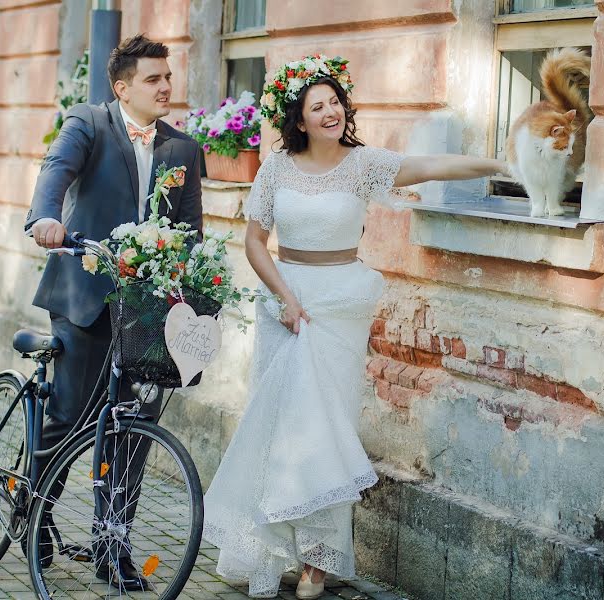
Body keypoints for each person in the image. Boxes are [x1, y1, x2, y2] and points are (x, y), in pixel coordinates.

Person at [202, 54, 507, 599]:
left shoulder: (362, 164)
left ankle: (319, 560)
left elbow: (428, 166)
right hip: (286, 306)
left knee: (326, 429)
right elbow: (254, 241)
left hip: (341, 308)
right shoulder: (275, 167)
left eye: (335, 101)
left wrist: (496, 166)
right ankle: (273, 550)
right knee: (280, 427)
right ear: (298, 119)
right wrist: (287, 299)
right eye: (316, 105)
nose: (330, 111)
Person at [24, 34, 203, 591]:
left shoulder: (183, 148)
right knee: (71, 417)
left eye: (168, 77)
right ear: (122, 86)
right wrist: (43, 219)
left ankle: (113, 546)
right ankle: (34, 516)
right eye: (153, 79)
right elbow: (55, 171)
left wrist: (192, 292)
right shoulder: (88, 123)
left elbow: (191, 232)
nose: (165, 86)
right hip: (84, 298)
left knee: (134, 432)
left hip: (148, 312)